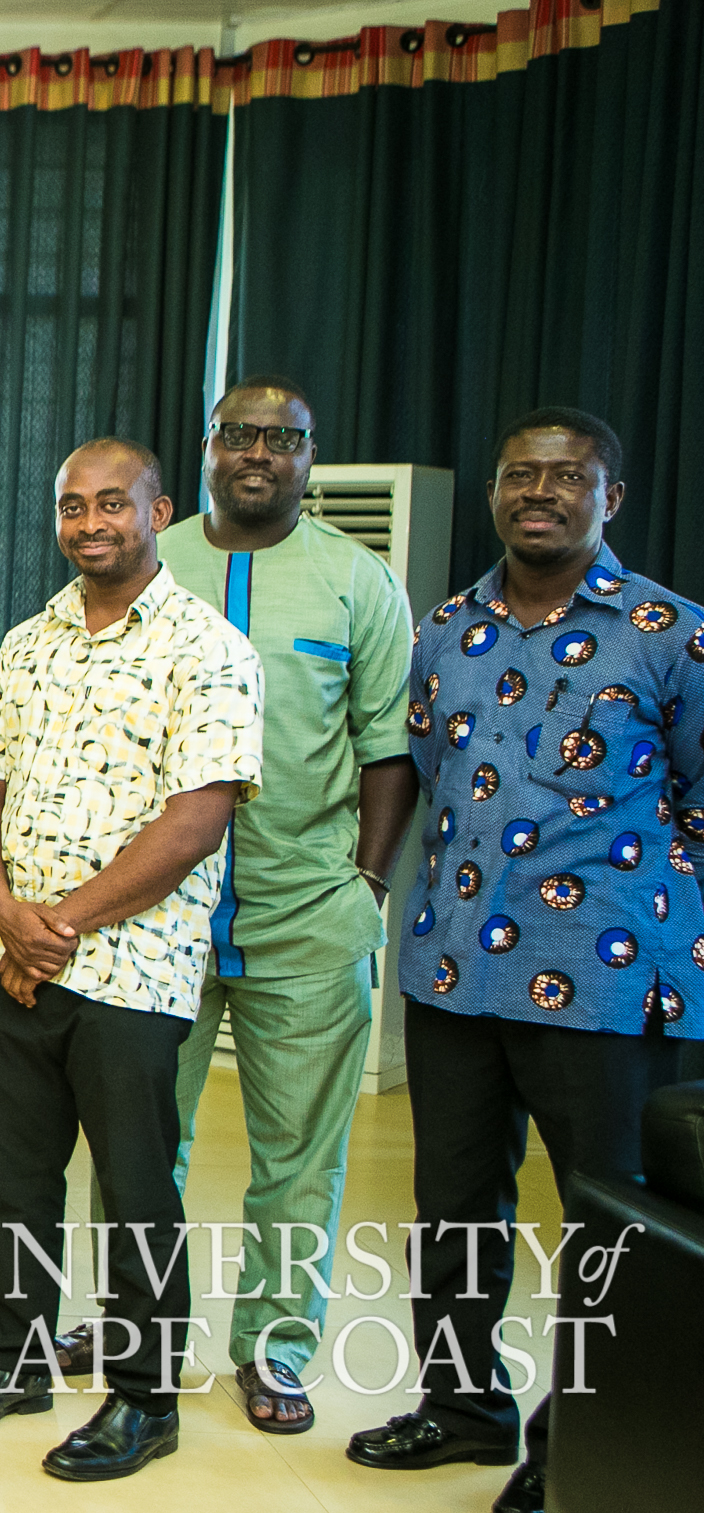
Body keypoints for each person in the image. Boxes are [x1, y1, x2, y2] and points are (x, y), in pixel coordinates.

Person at [345, 408, 702, 1513]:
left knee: (607, 1230)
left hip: (608, 984)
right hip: (453, 974)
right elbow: (420, 772)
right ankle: (462, 1410)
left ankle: (577, 1444)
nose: (538, 492)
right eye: (519, 475)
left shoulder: (669, 632)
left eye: (566, 476)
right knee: (454, 1208)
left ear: (611, 498)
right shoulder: (448, 629)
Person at [50, 378, 412, 1432]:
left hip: (304, 911)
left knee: (298, 1154)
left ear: (310, 455)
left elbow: (389, 749)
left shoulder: (358, 581)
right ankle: (129, 1322)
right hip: (151, 916)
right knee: (133, 1140)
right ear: (205, 449)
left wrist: (366, 880)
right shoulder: (146, 557)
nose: (258, 452)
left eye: (281, 438)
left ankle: (274, 1346)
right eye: (236, 434)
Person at [0, 438, 262, 1482]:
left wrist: (53, 924)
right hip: (10, 961)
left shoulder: (210, 648)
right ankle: (13, 1362)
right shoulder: (29, 641)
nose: (91, 522)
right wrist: (6, 915)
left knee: (135, 1187)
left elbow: (195, 822)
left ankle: (145, 1398)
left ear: (159, 512)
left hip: (131, 971)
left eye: (113, 503)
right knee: (16, 1184)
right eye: (73, 506)